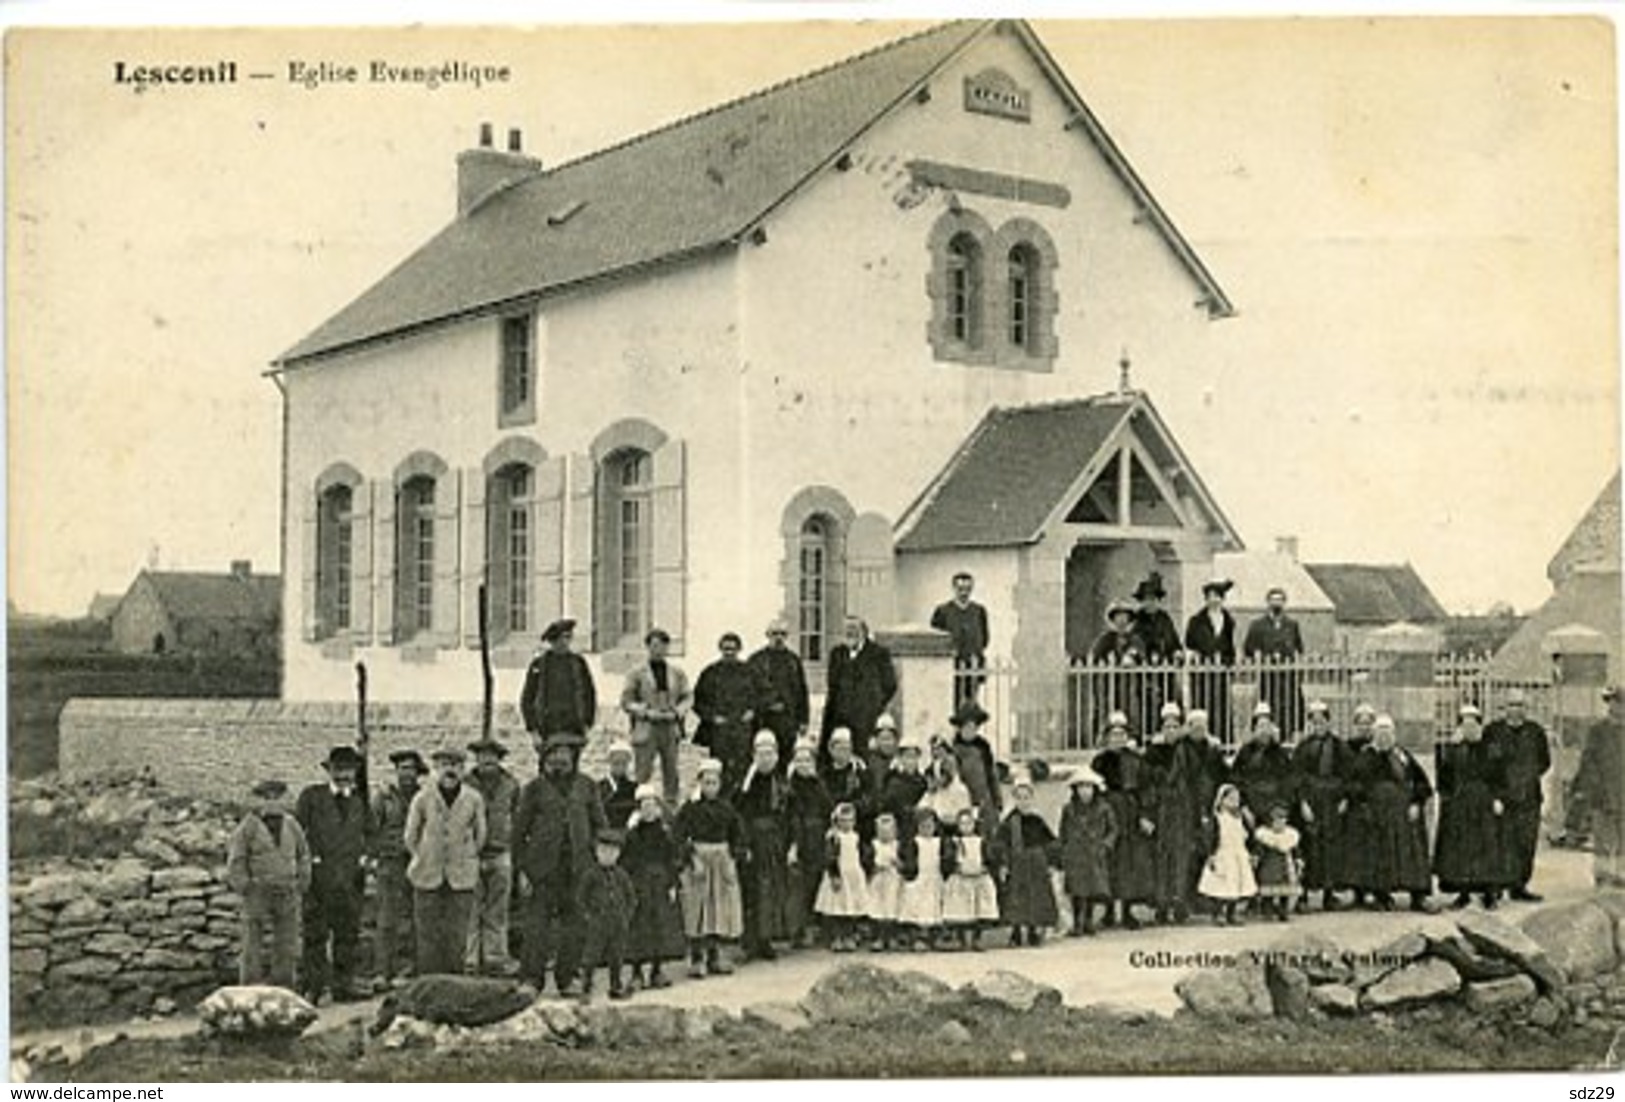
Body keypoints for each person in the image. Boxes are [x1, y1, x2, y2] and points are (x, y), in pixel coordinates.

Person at [514, 730, 607, 996]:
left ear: (574, 757)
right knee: (536, 926)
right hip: (542, 869)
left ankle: (568, 978)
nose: (559, 759)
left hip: (578, 868)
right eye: (553, 754)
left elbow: (600, 826)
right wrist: (522, 871)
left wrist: (597, 865)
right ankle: (531, 979)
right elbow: (518, 833)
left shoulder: (587, 786)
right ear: (545, 759)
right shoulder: (533, 789)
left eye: (565, 754)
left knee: (576, 924)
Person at [295, 744, 371, 1003]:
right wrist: (310, 858)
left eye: (348, 770)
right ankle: (314, 986)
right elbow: (296, 832)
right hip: (319, 878)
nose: (343, 776)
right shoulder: (311, 797)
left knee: (347, 935)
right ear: (329, 771)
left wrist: (365, 857)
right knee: (315, 934)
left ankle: (342, 985)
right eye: (338, 770)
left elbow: (371, 833)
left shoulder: (359, 802)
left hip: (349, 880)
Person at [405, 747, 487, 977]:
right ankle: (429, 982)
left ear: (463, 770)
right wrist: (424, 855)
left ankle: (453, 983)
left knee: (457, 934)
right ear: (435, 769)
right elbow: (410, 836)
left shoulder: (473, 798)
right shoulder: (422, 798)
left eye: (456, 766)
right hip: (427, 874)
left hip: (461, 876)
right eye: (444, 765)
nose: (450, 770)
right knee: (427, 933)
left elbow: (481, 835)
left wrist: (465, 856)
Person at [226, 779, 311, 988]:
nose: (272, 803)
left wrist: (302, 880)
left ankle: (284, 985)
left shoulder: (291, 824)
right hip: (257, 891)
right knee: (252, 941)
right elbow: (237, 859)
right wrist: (244, 886)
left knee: (287, 942)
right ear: (259, 800)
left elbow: (303, 854)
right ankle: (250, 987)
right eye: (267, 798)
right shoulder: (248, 826)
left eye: (276, 797)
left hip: (287, 890)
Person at [1350, 714, 1433, 912]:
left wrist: (1416, 802)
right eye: (1380, 733)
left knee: (1412, 851)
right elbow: (1354, 786)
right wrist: (1366, 806)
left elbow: (1423, 783)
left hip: (1405, 813)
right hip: (1378, 815)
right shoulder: (1365, 757)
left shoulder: (1402, 756)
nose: (1384, 738)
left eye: (1388, 733)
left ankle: (1418, 896)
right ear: (1374, 735)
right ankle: (1381, 894)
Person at [672, 758, 745, 978]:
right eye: (706, 782)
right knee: (698, 910)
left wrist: (733, 859)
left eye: (714, 783)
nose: (710, 787)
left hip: (721, 861)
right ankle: (696, 958)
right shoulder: (690, 809)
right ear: (700, 783)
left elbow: (737, 834)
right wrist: (691, 858)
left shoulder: (727, 809)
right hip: (699, 863)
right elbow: (678, 835)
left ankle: (715, 956)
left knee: (718, 909)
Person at [1434, 704, 1512, 909]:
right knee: (1462, 851)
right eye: (1465, 725)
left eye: (1473, 724)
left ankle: (1489, 893)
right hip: (1461, 806)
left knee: (1487, 849)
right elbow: (1444, 779)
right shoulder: (1454, 751)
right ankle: (1463, 892)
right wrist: (1448, 799)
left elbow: (1501, 778)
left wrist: (1498, 799)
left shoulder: (1492, 749)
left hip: (1485, 805)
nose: (1469, 729)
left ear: (1479, 725)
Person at [1483, 689, 1552, 902]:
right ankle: (1495, 887)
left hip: (1529, 798)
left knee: (1526, 843)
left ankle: (1519, 886)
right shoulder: (1493, 731)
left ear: (1526, 709)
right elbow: (1486, 764)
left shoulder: (1535, 731)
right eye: (1512, 705)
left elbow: (1544, 761)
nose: (1516, 710)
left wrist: (1526, 778)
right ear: (1504, 708)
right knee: (1501, 843)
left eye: (1520, 705)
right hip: (1502, 798)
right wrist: (1497, 793)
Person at [1091, 712, 1156, 929]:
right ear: (1107, 737)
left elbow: (1146, 788)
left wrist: (1145, 815)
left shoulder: (1135, 760)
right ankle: (1109, 911)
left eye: (1121, 734)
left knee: (1130, 863)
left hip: (1130, 813)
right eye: (1113, 735)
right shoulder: (1099, 762)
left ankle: (1128, 911)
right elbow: (1092, 789)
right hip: (1107, 812)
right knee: (1109, 860)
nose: (1117, 739)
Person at [464, 736, 520, 976]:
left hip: (501, 853)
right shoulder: (465, 784)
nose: (487, 761)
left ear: (499, 760)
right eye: (482, 756)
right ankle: (470, 960)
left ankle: (495, 957)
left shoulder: (511, 785)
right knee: (471, 909)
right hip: (472, 854)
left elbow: (518, 819)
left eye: (492, 757)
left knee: (497, 909)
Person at [734, 732, 793, 962]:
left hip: (774, 842)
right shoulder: (745, 783)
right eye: (761, 754)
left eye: (770, 754)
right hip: (752, 842)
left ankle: (766, 939)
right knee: (751, 889)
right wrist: (744, 843)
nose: (766, 759)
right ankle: (749, 941)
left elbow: (788, 813)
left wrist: (787, 842)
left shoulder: (781, 782)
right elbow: (738, 811)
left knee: (770, 890)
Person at [621, 784, 686, 990]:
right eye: (644, 806)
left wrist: (673, 883)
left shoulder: (664, 833)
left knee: (659, 926)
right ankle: (637, 971)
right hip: (640, 883)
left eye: (652, 805)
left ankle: (657, 970)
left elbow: (671, 859)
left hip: (659, 883)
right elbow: (626, 861)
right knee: (639, 927)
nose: (649, 810)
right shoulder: (632, 835)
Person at [1292, 700, 1354, 911]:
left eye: (1322, 721)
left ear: (1328, 722)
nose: (1318, 725)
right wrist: (1303, 803)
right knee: (1310, 847)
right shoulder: (1303, 747)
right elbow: (1297, 777)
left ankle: (1329, 894)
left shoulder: (1340, 746)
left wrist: (1345, 798)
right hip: (1311, 802)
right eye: (1314, 721)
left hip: (1332, 802)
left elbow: (1348, 775)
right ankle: (1305, 895)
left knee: (1330, 848)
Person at [370, 749, 425, 986]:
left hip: (415, 861)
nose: (407, 774)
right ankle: (382, 971)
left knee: (413, 917)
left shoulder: (424, 797)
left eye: (411, 769)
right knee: (385, 918)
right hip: (389, 861)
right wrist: (372, 857)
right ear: (396, 771)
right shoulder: (384, 797)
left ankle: (408, 969)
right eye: (403, 769)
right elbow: (372, 828)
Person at [621, 628, 693, 807]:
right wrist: (644, 711)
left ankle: (671, 806)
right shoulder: (636, 673)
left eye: (662, 645)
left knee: (671, 771)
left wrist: (677, 711)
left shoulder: (677, 673)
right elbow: (626, 701)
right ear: (647, 647)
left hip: (669, 728)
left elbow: (688, 696)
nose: (658, 649)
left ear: (667, 648)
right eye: (653, 645)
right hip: (647, 728)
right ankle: (640, 806)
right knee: (643, 771)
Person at [693, 632, 769, 795]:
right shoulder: (710, 673)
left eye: (733, 649)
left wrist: (752, 711)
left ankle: (742, 802)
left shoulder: (750, 671)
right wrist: (712, 717)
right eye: (726, 649)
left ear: (739, 650)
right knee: (720, 768)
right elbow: (698, 702)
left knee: (743, 768)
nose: (729, 652)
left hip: (743, 729)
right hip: (720, 730)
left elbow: (764, 695)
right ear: (720, 649)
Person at [993, 772, 1059, 947]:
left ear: (1031, 799)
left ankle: (1032, 931)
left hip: (1036, 864)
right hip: (1017, 863)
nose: (1023, 801)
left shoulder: (1037, 821)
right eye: (1019, 798)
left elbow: (1050, 842)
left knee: (1035, 899)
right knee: (1016, 899)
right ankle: (1015, 933)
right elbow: (1000, 843)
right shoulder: (1009, 823)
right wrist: (1003, 863)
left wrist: (1050, 861)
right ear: (1014, 799)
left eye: (1026, 797)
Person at [1569, 686, 1625, 888]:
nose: (1617, 706)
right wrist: (1594, 787)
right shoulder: (1598, 731)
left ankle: (1621, 877)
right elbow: (1588, 761)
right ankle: (1602, 878)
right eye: (1613, 702)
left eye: (1620, 702)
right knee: (1602, 840)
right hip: (1603, 794)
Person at [821, 617, 899, 761]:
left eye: (854, 629)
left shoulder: (878, 654)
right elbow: (833, 687)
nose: (850, 633)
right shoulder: (837, 654)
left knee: (864, 760)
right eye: (847, 630)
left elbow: (890, 685)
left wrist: (874, 705)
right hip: (840, 720)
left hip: (866, 721)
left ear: (864, 631)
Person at [575, 828, 637, 1001]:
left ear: (618, 854)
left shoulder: (621, 875)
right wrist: (588, 916)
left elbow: (631, 897)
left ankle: (616, 986)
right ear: (596, 852)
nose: (606, 855)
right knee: (591, 956)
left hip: (618, 923)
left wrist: (626, 916)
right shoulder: (590, 875)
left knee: (616, 956)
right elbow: (581, 898)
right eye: (602, 851)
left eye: (611, 852)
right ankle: (586, 988)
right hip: (597, 922)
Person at [785, 740, 833, 946]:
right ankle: (797, 928)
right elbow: (788, 814)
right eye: (799, 760)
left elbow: (828, 807)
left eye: (807, 760)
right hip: (798, 835)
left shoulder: (818, 784)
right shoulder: (789, 786)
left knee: (815, 880)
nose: (803, 764)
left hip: (816, 835)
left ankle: (814, 926)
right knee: (798, 885)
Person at [1059, 768, 1117, 937]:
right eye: (1081, 787)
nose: (1085, 791)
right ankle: (1077, 922)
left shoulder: (1103, 808)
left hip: (1094, 852)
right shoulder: (1069, 809)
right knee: (1077, 890)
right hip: (1075, 853)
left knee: (1092, 888)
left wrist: (1106, 845)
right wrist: (1063, 850)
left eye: (1089, 787)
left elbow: (1113, 829)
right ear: (1075, 789)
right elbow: (1063, 831)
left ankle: (1089, 921)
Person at [1242, 587, 1306, 739]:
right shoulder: (1257, 625)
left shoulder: (1292, 624)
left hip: (1288, 677)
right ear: (1268, 603)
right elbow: (1248, 648)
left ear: (1284, 603)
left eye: (1280, 600)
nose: (1276, 603)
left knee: (1290, 708)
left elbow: (1299, 648)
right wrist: (1260, 656)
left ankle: (1289, 736)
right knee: (1268, 708)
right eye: (1273, 600)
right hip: (1268, 677)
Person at [519, 618, 597, 739]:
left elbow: (589, 695)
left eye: (569, 637)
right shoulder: (539, 665)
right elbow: (527, 699)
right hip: (547, 730)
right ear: (554, 640)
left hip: (574, 729)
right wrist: (533, 731)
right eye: (564, 637)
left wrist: (587, 725)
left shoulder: (578, 663)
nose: (567, 642)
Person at [748, 621, 810, 765]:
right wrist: (767, 704)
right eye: (774, 634)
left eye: (782, 634)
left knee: (786, 759)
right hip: (763, 720)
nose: (778, 638)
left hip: (788, 722)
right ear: (767, 635)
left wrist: (804, 720)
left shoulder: (793, 661)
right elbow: (749, 692)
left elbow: (801, 691)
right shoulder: (756, 660)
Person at [1184, 579, 1237, 742]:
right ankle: (1201, 738)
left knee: (1221, 706)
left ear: (1222, 599)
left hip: (1220, 671)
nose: (1214, 600)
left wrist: (1228, 661)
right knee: (1202, 704)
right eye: (1210, 596)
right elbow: (1189, 643)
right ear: (1206, 600)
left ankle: (1223, 741)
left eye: (1217, 596)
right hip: (1201, 671)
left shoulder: (1228, 621)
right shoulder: (1196, 621)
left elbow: (1230, 646)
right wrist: (1197, 656)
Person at [1198, 783, 1257, 925]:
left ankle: (1231, 913)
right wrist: (1210, 855)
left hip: (1238, 855)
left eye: (1237, 799)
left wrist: (1250, 853)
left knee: (1236, 886)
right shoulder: (1217, 818)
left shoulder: (1240, 819)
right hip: (1223, 854)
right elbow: (1211, 838)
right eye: (1230, 798)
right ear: (1221, 800)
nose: (1234, 802)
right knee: (1220, 886)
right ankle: (1217, 914)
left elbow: (1247, 836)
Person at [815, 802, 870, 952]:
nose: (847, 824)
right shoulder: (834, 837)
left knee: (850, 907)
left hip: (853, 875)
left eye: (850, 821)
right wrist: (834, 875)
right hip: (840, 874)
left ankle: (849, 936)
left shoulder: (856, 837)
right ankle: (836, 937)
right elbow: (830, 858)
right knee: (837, 908)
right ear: (837, 821)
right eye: (843, 821)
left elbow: (861, 855)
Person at [943, 806, 999, 950]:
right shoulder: (955, 842)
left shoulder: (980, 841)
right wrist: (956, 867)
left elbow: (989, 858)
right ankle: (962, 940)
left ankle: (976, 939)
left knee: (979, 909)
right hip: (961, 878)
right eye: (962, 824)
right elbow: (950, 859)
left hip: (978, 877)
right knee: (961, 910)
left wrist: (986, 867)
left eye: (969, 823)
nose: (966, 827)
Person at [931, 571, 990, 706]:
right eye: (960, 589)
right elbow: (936, 639)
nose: (964, 593)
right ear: (954, 589)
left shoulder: (979, 611)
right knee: (952, 703)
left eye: (968, 589)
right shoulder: (943, 611)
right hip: (951, 666)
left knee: (972, 704)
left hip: (973, 665)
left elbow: (985, 638)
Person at [1090, 600, 1147, 737]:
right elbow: (1095, 657)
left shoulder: (1135, 639)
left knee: (1130, 710)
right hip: (1108, 684)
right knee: (1106, 710)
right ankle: (1104, 736)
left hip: (1129, 684)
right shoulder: (1105, 639)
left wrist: (1132, 656)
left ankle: (1132, 735)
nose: (1121, 620)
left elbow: (1140, 653)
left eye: (1124, 617)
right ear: (1113, 619)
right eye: (1118, 617)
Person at [1231, 705, 1295, 826]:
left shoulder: (1280, 754)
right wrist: (1244, 808)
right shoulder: (1245, 753)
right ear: (1254, 730)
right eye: (1260, 726)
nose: (1264, 731)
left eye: (1267, 726)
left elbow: (1288, 783)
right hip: (1250, 811)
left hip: (1275, 812)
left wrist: (1281, 811)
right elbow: (1236, 781)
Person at [1133, 572, 1183, 725]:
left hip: (1166, 672)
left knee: (1169, 704)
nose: (1150, 603)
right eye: (1146, 599)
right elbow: (1136, 643)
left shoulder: (1165, 619)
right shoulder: (1137, 621)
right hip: (1145, 673)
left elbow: (1174, 641)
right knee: (1146, 705)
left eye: (1153, 599)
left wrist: (1177, 652)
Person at [950, 702, 1002, 837]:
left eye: (973, 727)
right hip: (965, 801)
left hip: (985, 801)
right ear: (960, 728)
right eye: (966, 727)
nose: (970, 731)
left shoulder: (983, 747)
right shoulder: (954, 750)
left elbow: (991, 775)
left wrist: (997, 800)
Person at [898, 808, 947, 950]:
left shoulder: (938, 842)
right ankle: (917, 937)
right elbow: (909, 859)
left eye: (930, 826)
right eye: (923, 826)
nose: (927, 830)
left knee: (932, 907)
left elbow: (944, 859)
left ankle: (933, 937)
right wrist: (908, 870)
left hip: (933, 877)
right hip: (918, 879)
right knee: (917, 907)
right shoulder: (915, 842)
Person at [866, 812, 909, 951]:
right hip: (878, 880)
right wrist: (873, 868)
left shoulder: (897, 846)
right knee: (877, 907)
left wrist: (898, 863)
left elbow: (905, 865)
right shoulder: (874, 845)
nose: (886, 835)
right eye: (882, 832)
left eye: (889, 832)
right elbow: (867, 862)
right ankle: (878, 938)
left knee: (892, 906)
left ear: (895, 832)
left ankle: (891, 937)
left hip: (893, 879)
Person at [875, 730, 929, 839]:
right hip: (898, 829)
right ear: (901, 758)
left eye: (914, 757)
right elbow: (888, 805)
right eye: (907, 756)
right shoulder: (893, 781)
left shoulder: (922, 782)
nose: (911, 761)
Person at [1252, 804, 1301, 923]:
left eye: (1283, 820)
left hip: (1285, 865)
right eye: (1277, 820)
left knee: (1285, 890)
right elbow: (1259, 850)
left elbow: (1295, 850)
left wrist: (1299, 859)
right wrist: (1256, 857)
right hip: (1270, 866)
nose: (1280, 823)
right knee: (1268, 890)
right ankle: (1267, 911)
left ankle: (1283, 911)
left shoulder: (1290, 836)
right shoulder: (1266, 836)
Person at [819, 728, 871, 827]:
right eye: (839, 749)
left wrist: (852, 807)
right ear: (831, 750)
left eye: (846, 749)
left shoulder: (860, 773)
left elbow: (869, 799)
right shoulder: (824, 774)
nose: (843, 753)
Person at [921, 737, 975, 830]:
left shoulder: (961, 790)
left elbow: (966, 814)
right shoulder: (933, 791)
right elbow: (923, 808)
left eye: (949, 769)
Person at [598, 739, 640, 830]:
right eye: (616, 763)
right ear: (610, 762)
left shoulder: (634, 788)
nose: (620, 767)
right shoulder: (599, 787)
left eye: (624, 763)